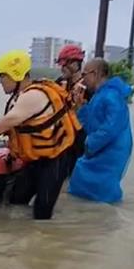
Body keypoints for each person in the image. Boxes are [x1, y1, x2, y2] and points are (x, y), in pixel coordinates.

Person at [0, 50, 79, 220]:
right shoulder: (17, 97)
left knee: (42, 212)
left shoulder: (33, 96)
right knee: (15, 201)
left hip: (56, 159)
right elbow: (7, 130)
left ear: (15, 75)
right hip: (34, 160)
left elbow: (0, 126)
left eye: (3, 76)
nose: (1, 81)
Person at [68, 59, 134, 203]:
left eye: (85, 74)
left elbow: (110, 127)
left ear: (96, 73)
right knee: (82, 183)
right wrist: (80, 108)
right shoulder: (100, 95)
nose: (83, 79)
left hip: (111, 150)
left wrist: (90, 143)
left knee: (104, 188)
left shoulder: (112, 96)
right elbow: (91, 122)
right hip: (98, 148)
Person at [55, 44, 87, 174]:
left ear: (75, 64)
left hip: (79, 138)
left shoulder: (87, 85)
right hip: (60, 138)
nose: (62, 68)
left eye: (64, 64)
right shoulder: (58, 83)